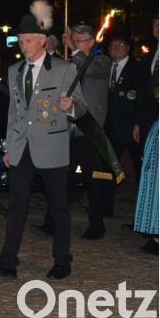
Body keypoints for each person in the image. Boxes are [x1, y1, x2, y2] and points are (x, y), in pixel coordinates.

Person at [0, 0, 86, 280]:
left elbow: (82, 106)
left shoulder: (64, 69)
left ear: (42, 40)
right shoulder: (15, 71)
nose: (23, 45)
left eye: (28, 40)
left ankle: (62, 260)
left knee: (59, 207)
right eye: (20, 40)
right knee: (17, 207)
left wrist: (71, 108)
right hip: (21, 148)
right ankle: (8, 262)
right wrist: (9, 147)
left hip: (52, 147)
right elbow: (14, 111)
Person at [63, 24, 112, 240]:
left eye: (80, 40)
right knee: (63, 177)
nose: (76, 44)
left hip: (90, 127)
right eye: (74, 40)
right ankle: (53, 221)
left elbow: (88, 69)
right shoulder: (73, 60)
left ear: (91, 42)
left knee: (92, 180)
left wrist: (74, 49)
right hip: (70, 127)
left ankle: (96, 225)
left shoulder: (102, 60)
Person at [134, 16, 159, 255]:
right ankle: (155, 231)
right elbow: (143, 95)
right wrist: (139, 124)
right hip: (154, 125)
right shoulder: (150, 58)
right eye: (156, 25)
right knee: (153, 177)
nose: (159, 28)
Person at [105, 37, 145, 183]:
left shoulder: (138, 68)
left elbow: (141, 98)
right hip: (110, 126)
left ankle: (143, 201)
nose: (116, 47)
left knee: (139, 166)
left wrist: (138, 123)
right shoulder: (105, 67)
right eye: (112, 45)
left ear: (127, 48)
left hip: (132, 127)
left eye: (121, 44)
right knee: (109, 168)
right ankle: (105, 202)